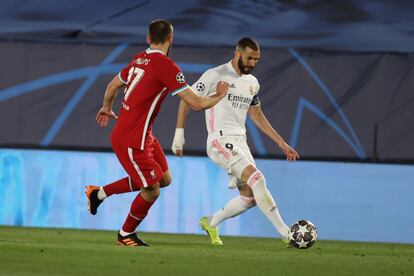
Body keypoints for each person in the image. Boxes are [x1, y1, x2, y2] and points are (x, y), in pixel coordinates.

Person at [85, 19, 229, 247]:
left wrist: (106, 106)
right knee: (151, 191)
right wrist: (220, 95)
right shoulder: (167, 66)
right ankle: (125, 234)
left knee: (163, 179)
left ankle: (99, 193)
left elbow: (113, 85)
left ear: (148, 38)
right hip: (132, 139)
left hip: (143, 135)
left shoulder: (138, 59)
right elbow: (198, 103)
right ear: (171, 39)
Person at [171, 37, 299, 246]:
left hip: (241, 142)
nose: (252, 63)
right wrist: (179, 133)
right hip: (219, 140)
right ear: (237, 53)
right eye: (249, 58)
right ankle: (286, 233)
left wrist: (281, 142)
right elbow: (187, 98)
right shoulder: (215, 75)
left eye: (256, 60)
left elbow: (257, 115)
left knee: (249, 198)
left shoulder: (252, 83)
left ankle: (212, 222)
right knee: (258, 179)